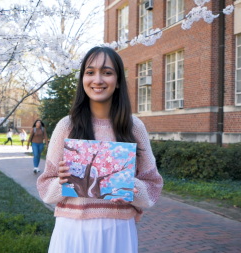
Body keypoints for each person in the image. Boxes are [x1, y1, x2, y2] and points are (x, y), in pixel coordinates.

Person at [36, 47, 163, 253]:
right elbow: (45, 189)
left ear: (118, 80)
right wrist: (62, 182)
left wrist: (129, 183)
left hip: (118, 231)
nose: (98, 80)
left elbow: (153, 187)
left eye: (107, 72)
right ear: (83, 79)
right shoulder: (66, 126)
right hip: (72, 231)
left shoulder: (134, 127)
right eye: (90, 72)